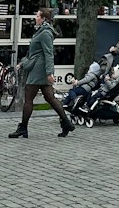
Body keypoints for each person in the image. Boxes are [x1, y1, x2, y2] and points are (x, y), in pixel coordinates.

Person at [10, 8, 73, 138]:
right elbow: (35, 53)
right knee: (50, 97)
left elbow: (49, 54)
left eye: (38, 16)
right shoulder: (41, 31)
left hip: (38, 71)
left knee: (28, 99)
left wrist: (50, 72)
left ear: (43, 18)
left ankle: (23, 128)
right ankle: (66, 122)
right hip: (39, 68)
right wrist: (23, 63)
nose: (35, 17)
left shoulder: (45, 33)